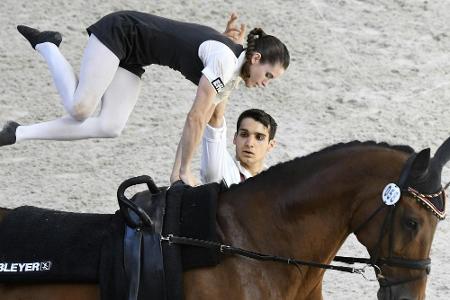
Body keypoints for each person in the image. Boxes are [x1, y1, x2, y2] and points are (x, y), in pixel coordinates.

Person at [1, 11, 289, 186]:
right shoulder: (226, 64)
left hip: (135, 56)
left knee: (110, 126)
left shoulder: (232, 75)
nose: (266, 84)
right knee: (79, 108)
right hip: (120, 32)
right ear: (256, 57)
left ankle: (17, 133)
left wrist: (177, 173)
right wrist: (185, 170)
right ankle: (48, 45)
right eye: (269, 76)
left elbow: (201, 122)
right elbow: (195, 118)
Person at [200, 99, 277, 186]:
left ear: (270, 145)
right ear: (235, 138)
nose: (249, 143)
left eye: (259, 137)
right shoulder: (221, 169)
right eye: (244, 134)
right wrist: (226, 86)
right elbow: (215, 116)